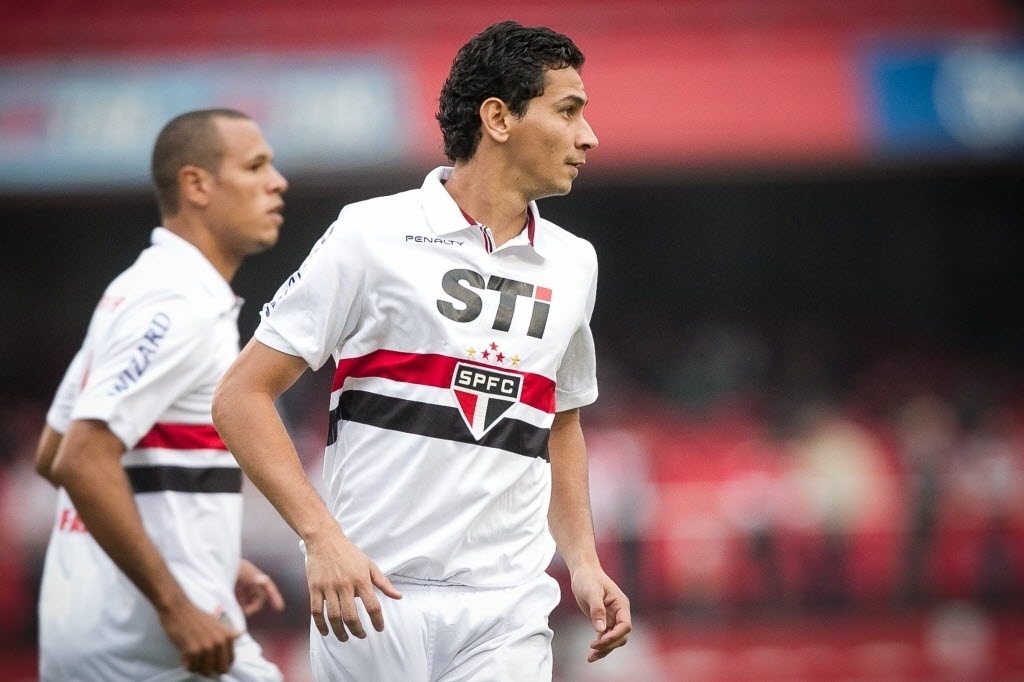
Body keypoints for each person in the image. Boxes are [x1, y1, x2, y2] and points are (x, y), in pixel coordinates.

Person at [212, 20, 631, 681]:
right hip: (371, 598)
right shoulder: (371, 233)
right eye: (568, 110)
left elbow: (560, 419)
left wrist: (582, 559)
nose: (588, 136)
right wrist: (321, 538)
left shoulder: (575, 263)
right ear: (498, 118)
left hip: (509, 604)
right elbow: (241, 394)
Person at [34, 108, 289, 682]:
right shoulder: (178, 305)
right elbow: (79, 459)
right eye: (256, 166)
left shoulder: (134, 290)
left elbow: (50, 453)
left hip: (94, 634)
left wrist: (203, 553)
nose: (278, 182)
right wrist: (175, 604)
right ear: (196, 184)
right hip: (153, 648)